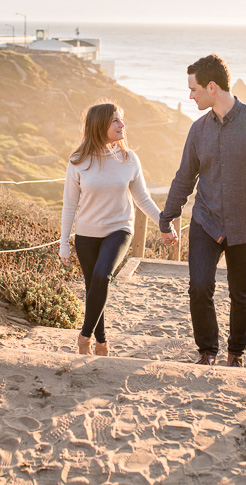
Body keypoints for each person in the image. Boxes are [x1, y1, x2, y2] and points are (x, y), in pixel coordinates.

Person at [159, 54, 246, 368]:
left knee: (241, 295)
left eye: (194, 89)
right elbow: (185, 177)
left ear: (212, 87)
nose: (191, 95)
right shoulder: (198, 130)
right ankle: (207, 351)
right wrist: (166, 217)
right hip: (206, 221)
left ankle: (235, 354)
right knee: (199, 286)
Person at [60, 102, 173, 356]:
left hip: (119, 229)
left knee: (102, 277)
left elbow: (142, 198)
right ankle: (101, 342)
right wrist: (63, 242)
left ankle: (84, 337)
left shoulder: (129, 159)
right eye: (115, 121)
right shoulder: (78, 161)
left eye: (121, 119)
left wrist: (164, 225)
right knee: (93, 288)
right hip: (86, 234)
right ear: (100, 125)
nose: (122, 125)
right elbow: (69, 204)